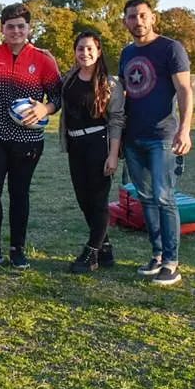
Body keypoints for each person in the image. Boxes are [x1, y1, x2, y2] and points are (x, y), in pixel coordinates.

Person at [0, 3, 62, 270]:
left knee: (19, 194)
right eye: (10, 26)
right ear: (2, 28)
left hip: (28, 141)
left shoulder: (42, 59)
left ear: (29, 28)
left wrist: (44, 108)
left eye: (20, 26)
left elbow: (58, 96)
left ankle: (18, 249)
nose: (15, 31)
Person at [120, 0, 193, 286]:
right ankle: (158, 255)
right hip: (133, 137)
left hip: (162, 136)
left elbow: (185, 89)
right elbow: (124, 94)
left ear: (152, 18)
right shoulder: (126, 54)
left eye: (141, 16)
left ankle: (172, 262)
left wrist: (184, 130)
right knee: (146, 199)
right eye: (131, 17)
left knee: (165, 198)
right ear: (125, 21)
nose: (137, 22)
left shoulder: (170, 48)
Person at [59, 32, 125, 274]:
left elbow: (117, 120)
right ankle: (105, 248)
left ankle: (92, 253)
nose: (84, 53)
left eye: (89, 49)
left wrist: (113, 155)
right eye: (80, 49)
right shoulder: (69, 78)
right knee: (83, 199)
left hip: (99, 144)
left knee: (98, 201)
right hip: (75, 146)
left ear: (98, 52)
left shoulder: (110, 83)